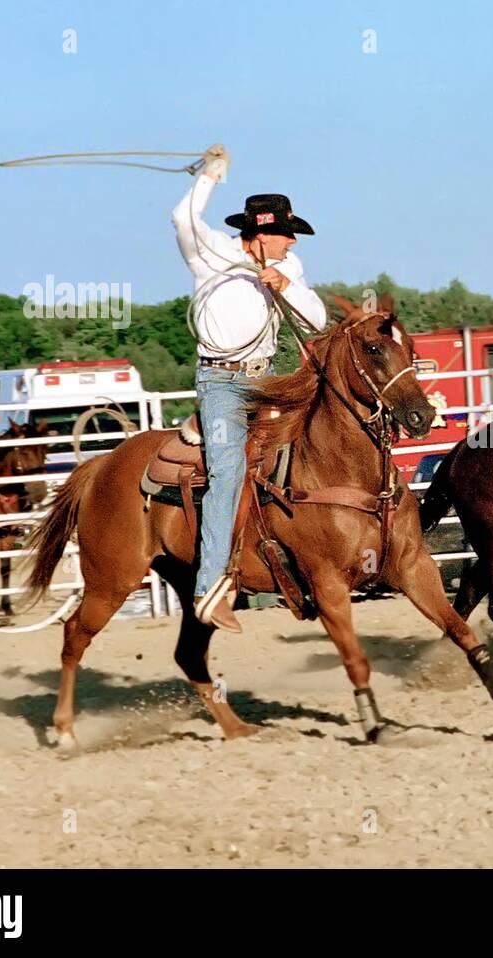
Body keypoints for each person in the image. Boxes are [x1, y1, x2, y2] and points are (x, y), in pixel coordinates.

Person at [173, 143, 328, 632]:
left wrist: (287, 286)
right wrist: (211, 174)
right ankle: (210, 586)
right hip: (221, 380)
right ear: (264, 233)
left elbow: (318, 318)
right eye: (287, 236)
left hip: (265, 379)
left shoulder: (289, 270)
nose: (293, 245)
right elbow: (183, 217)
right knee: (228, 471)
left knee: (316, 442)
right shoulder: (211, 253)